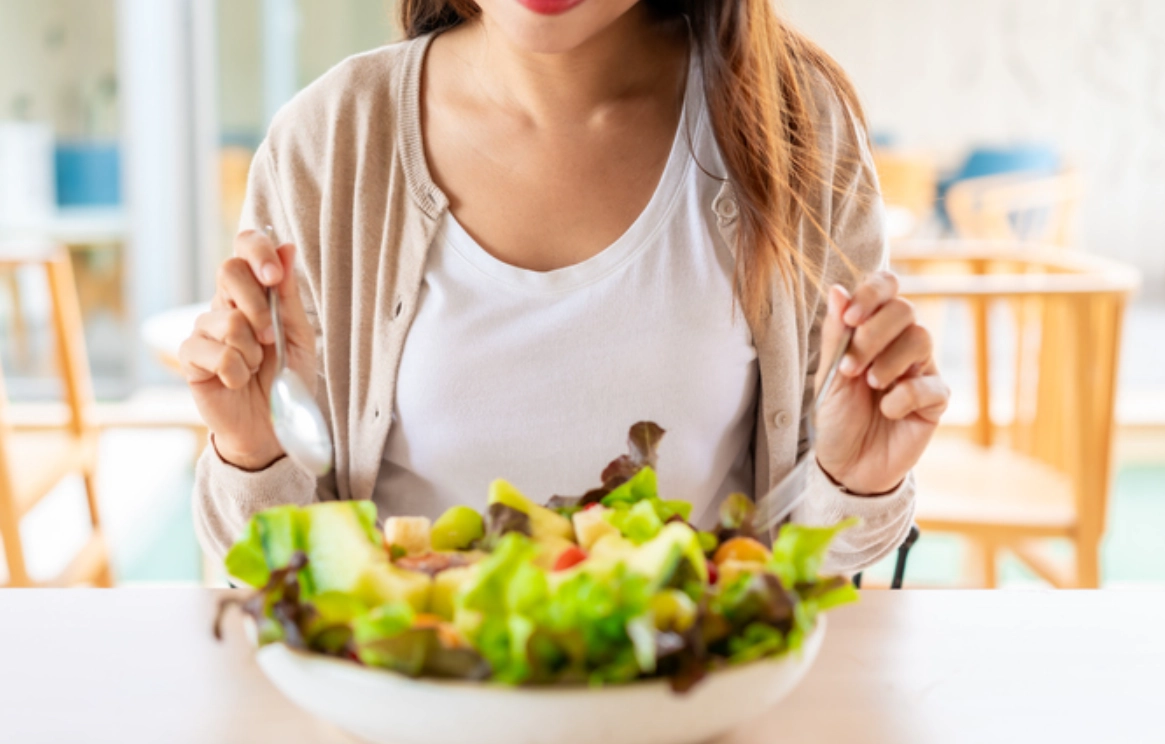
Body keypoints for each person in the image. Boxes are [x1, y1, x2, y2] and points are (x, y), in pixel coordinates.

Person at [183, 0, 949, 575]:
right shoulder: (327, 143)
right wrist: (252, 453)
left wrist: (851, 483)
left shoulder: (791, 124)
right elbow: (284, 581)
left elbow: (807, 577)